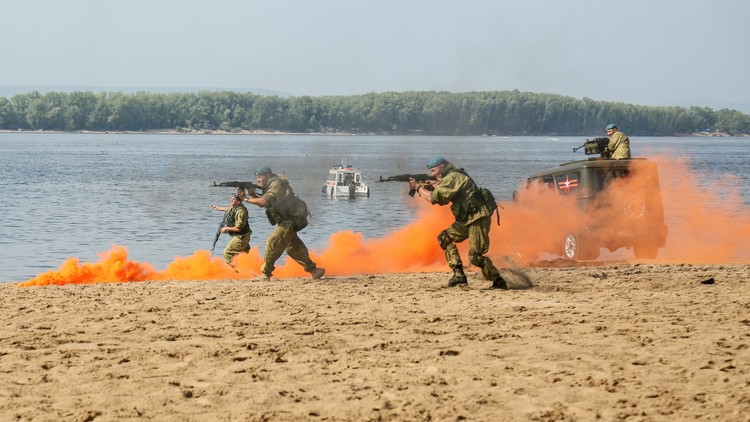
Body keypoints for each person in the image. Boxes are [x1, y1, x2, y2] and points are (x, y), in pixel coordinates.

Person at [410, 156, 508, 289]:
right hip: (466, 218)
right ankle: (459, 275)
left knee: (475, 257)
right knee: (444, 238)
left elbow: (436, 199)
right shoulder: (450, 177)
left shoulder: (453, 177)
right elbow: (444, 196)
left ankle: (498, 281)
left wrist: (418, 188)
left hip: (477, 216)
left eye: (433, 171)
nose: (432, 174)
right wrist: (430, 186)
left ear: (442, 166)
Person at [241, 166, 325, 281]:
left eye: (260, 177)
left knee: (273, 241)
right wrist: (252, 194)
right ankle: (315, 271)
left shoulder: (276, 184)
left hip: (291, 219)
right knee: (293, 248)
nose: (258, 180)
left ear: (268, 175)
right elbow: (263, 202)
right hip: (288, 219)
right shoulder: (270, 185)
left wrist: (245, 199)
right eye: (257, 178)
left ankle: (266, 274)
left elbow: (264, 201)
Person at [210, 193, 252, 265]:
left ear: (238, 202)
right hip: (243, 236)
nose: (231, 200)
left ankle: (235, 271)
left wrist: (226, 228)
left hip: (241, 237)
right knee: (246, 255)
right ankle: (250, 270)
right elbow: (229, 209)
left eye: (233, 199)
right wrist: (219, 208)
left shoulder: (241, 212)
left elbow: (238, 228)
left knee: (227, 253)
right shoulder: (235, 207)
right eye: (231, 199)